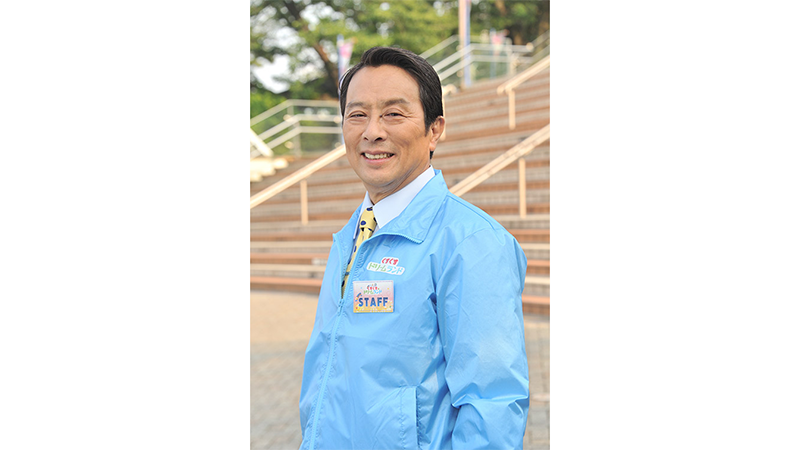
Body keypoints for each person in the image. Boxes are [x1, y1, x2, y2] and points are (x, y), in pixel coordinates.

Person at [298, 46, 529, 450]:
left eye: (393, 113)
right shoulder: (352, 235)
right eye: (357, 114)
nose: (372, 131)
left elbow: (492, 402)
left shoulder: (470, 242)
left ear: (435, 129)